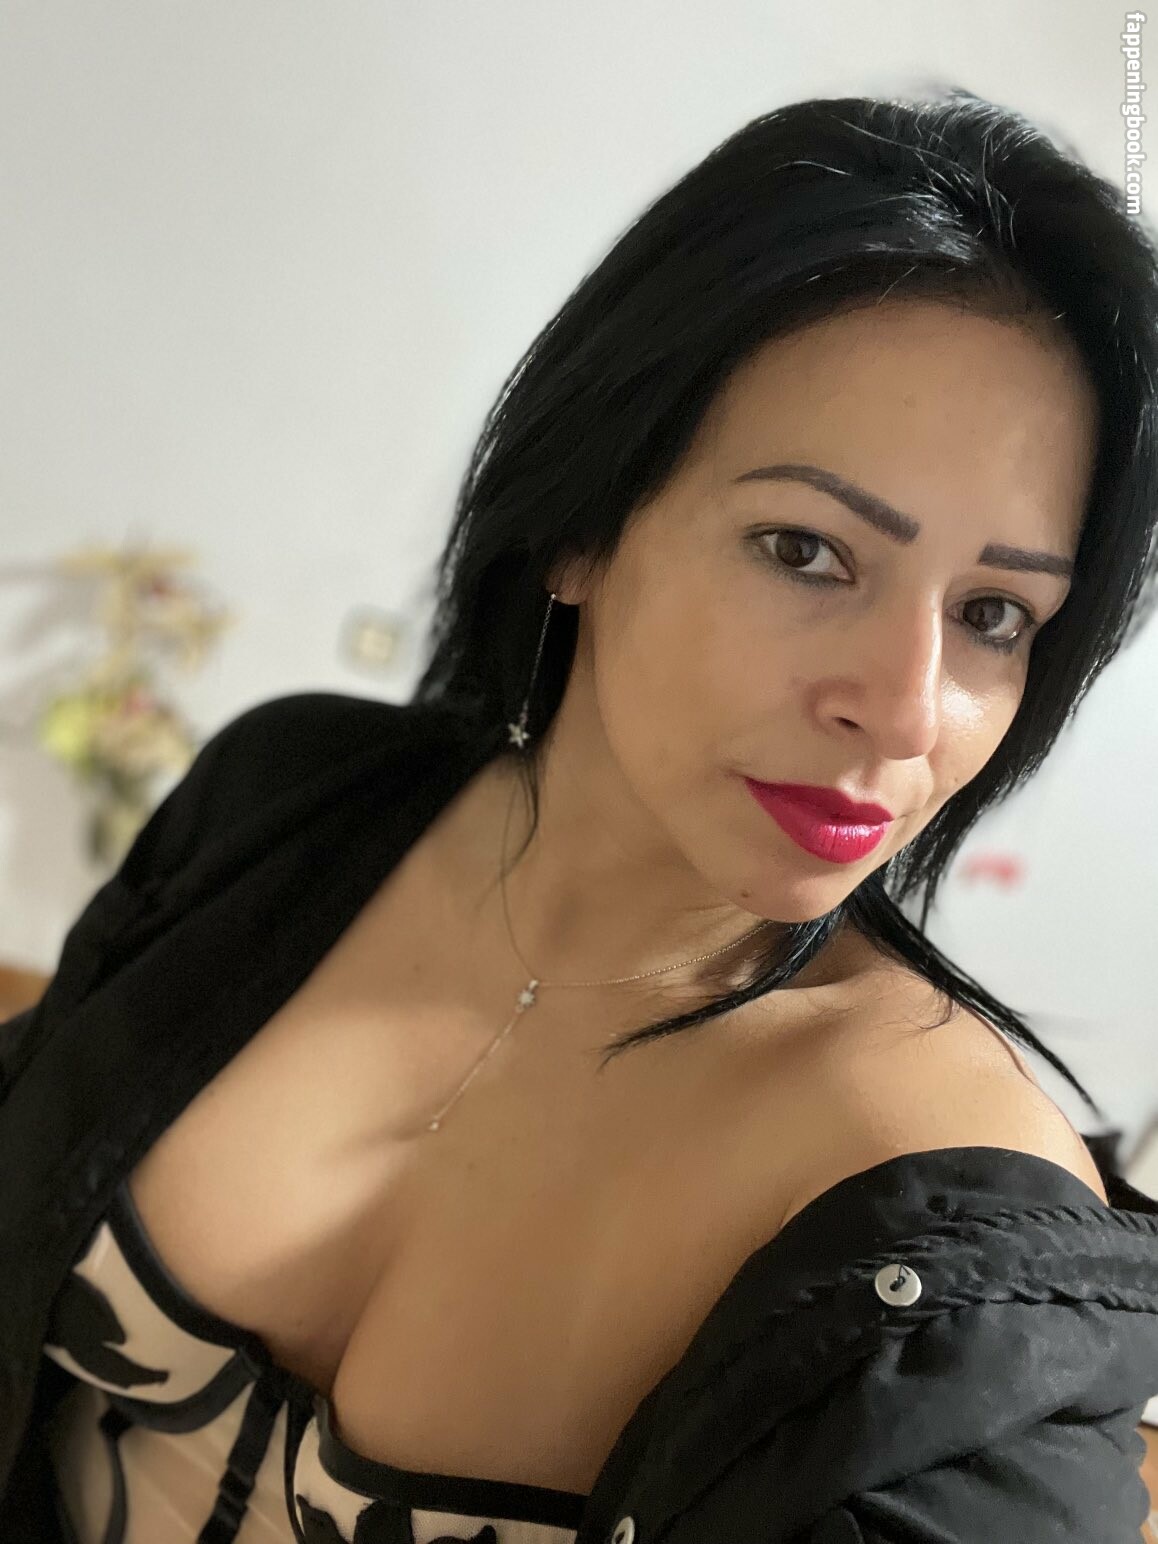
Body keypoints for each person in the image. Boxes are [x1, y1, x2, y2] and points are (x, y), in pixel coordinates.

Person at [3, 87, 1158, 1544]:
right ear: (582, 527)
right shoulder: (291, 803)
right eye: (805, 550)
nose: (906, 709)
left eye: (994, 614)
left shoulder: (946, 1215)